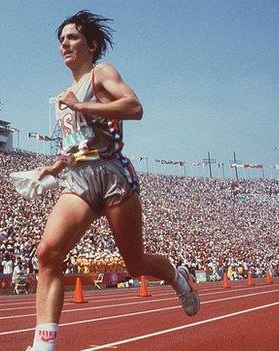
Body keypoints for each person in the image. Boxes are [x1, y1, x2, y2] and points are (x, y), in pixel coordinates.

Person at [26, 11, 199, 351]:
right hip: (80, 180)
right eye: (61, 39)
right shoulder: (63, 98)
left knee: (134, 265)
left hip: (114, 176)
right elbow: (77, 147)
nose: (64, 43)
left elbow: (134, 107)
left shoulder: (100, 74)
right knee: (47, 253)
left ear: (91, 45)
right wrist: (50, 169)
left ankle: (178, 278)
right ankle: (44, 346)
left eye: (72, 37)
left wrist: (84, 106)